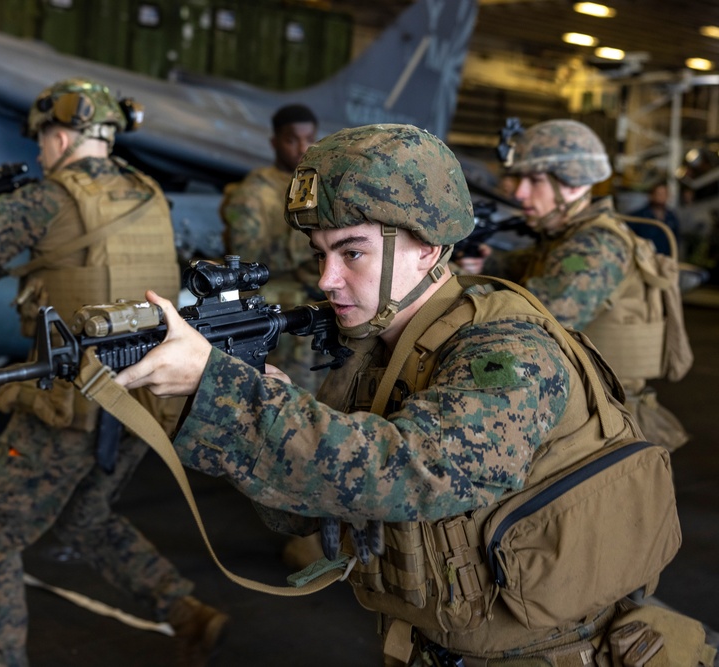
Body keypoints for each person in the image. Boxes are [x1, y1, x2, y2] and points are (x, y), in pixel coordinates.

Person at [112, 124, 699, 664]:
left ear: (428, 246)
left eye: (353, 252)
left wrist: (228, 395)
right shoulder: (384, 347)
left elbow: (418, 469)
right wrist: (249, 393)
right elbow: (302, 510)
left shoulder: (507, 350)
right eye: (321, 255)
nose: (326, 280)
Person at [0, 77, 228, 667]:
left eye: (42, 141)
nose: (38, 153)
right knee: (86, 517)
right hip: (140, 404)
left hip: (70, 402)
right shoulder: (150, 192)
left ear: (60, 136)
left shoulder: (45, 199)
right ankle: (184, 610)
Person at [457, 119, 692, 451]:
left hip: (603, 425)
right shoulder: (565, 238)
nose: (521, 192)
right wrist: (481, 264)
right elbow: (521, 267)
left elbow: (537, 325)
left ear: (573, 185)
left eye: (534, 180)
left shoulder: (596, 247)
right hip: (585, 406)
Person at [219, 103, 323, 394]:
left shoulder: (317, 186)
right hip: (280, 310)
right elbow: (245, 259)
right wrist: (309, 246)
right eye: (292, 140)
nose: (302, 147)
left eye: (309, 138)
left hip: (319, 304)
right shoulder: (253, 193)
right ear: (275, 142)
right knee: (288, 394)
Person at [628, 180, 683, 256]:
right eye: (659, 194)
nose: (661, 197)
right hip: (644, 259)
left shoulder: (672, 217)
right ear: (651, 196)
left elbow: (676, 240)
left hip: (665, 260)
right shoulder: (638, 217)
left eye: (664, 194)